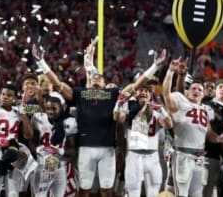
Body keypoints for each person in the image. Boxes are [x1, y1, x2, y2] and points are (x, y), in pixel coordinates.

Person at [32, 42, 167, 197]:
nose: (96, 79)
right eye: (93, 78)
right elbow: (57, 84)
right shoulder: (80, 93)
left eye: (99, 78)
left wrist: (155, 66)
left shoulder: (112, 94)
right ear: (88, 82)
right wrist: (41, 62)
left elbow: (136, 85)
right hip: (85, 148)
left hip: (107, 148)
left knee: (107, 190)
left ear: (104, 84)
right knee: (84, 189)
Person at [162, 57, 223, 197]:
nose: (196, 91)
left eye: (199, 89)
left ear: (203, 94)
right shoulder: (181, 101)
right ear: (187, 91)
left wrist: (218, 138)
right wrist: (170, 72)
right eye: (193, 88)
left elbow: (209, 133)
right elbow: (166, 94)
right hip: (182, 155)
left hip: (200, 158)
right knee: (182, 194)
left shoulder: (206, 110)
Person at [113, 83, 173, 196]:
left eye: (147, 91)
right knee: (133, 192)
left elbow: (169, 124)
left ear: (151, 95)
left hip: (153, 156)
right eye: (141, 90)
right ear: (135, 94)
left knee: (153, 193)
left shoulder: (156, 111)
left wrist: (162, 110)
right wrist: (118, 104)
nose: (144, 92)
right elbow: (118, 118)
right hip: (134, 156)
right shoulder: (129, 108)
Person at [28, 95, 77, 197]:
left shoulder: (69, 122)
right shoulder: (38, 118)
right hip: (41, 165)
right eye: (48, 109)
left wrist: (59, 152)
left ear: (62, 108)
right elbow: (31, 142)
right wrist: (39, 150)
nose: (50, 112)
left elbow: (72, 151)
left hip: (60, 165)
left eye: (54, 108)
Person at [202, 79, 223, 197]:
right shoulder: (198, 103)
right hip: (197, 153)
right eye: (206, 86)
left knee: (211, 189)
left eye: (212, 87)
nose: (209, 89)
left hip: (215, 154)